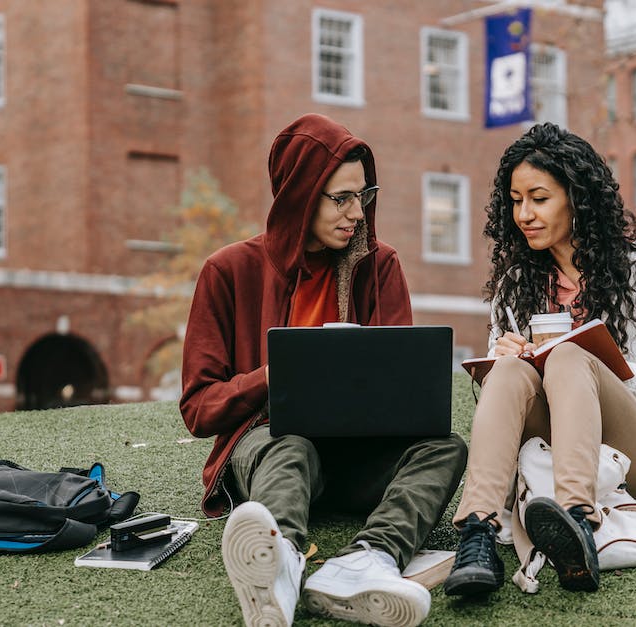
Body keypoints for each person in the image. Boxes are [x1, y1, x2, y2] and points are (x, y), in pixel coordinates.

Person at [180, 113, 467, 627]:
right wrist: (278, 375)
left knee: (447, 448)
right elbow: (198, 408)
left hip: (358, 460)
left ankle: (367, 560)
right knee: (293, 444)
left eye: (365, 195)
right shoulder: (228, 271)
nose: (357, 212)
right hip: (272, 448)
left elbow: (403, 390)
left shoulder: (380, 267)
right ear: (299, 195)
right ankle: (281, 565)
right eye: (341, 198)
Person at [442, 123, 636, 596]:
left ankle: (576, 519)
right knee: (509, 368)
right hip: (547, 446)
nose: (523, 213)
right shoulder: (516, 286)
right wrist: (505, 359)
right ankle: (478, 533)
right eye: (515, 200)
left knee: (571, 356)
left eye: (539, 198)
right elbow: (507, 405)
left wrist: (606, 365)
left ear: (578, 198)